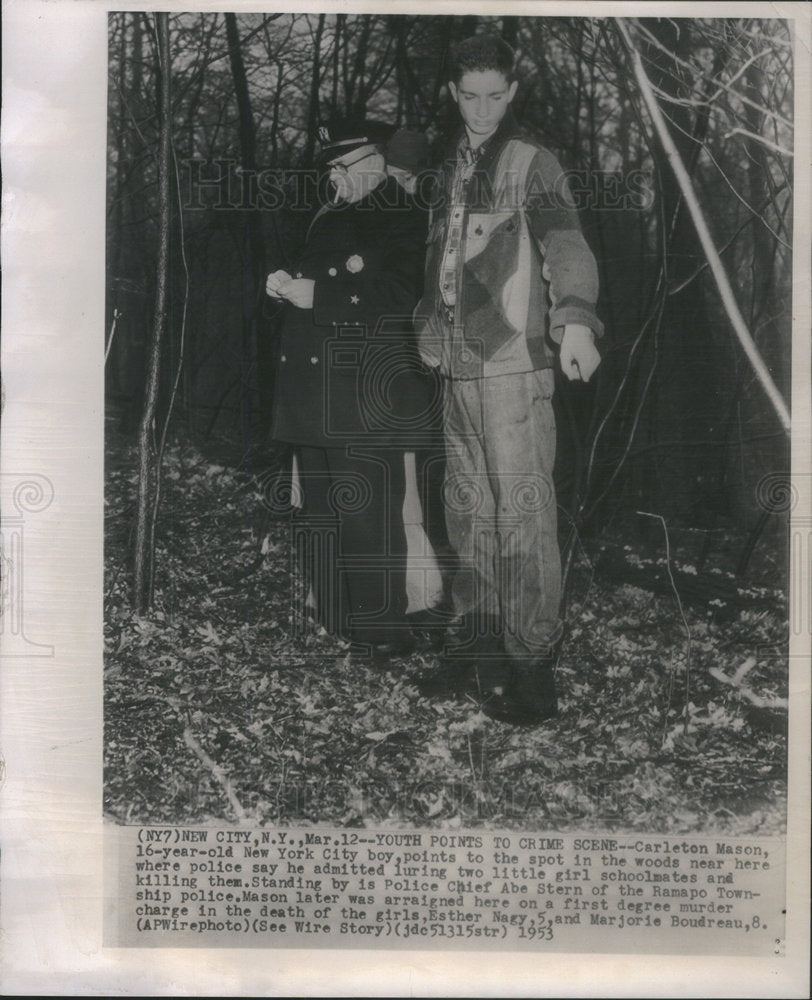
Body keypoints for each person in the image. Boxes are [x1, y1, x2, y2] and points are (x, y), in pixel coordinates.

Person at [413, 35, 604, 724]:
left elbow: (566, 244)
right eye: (470, 95)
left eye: (496, 95)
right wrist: (427, 328)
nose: (482, 109)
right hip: (455, 365)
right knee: (467, 511)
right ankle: (478, 648)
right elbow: (442, 264)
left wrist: (575, 321)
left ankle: (532, 667)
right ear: (453, 93)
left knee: (522, 513)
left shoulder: (531, 162)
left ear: (513, 92)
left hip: (514, 367)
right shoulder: (449, 169)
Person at [267, 118, 432, 663]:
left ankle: (384, 632)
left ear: (376, 160)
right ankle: (337, 620)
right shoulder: (330, 214)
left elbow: (402, 296)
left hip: (366, 391)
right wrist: (284, 284)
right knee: (319, 512)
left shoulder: (404, 214)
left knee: (367, 514)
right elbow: (321, 281)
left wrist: (322, 297)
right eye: (330, 167)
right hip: (312, 390)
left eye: (342, 165)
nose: (333, 175)